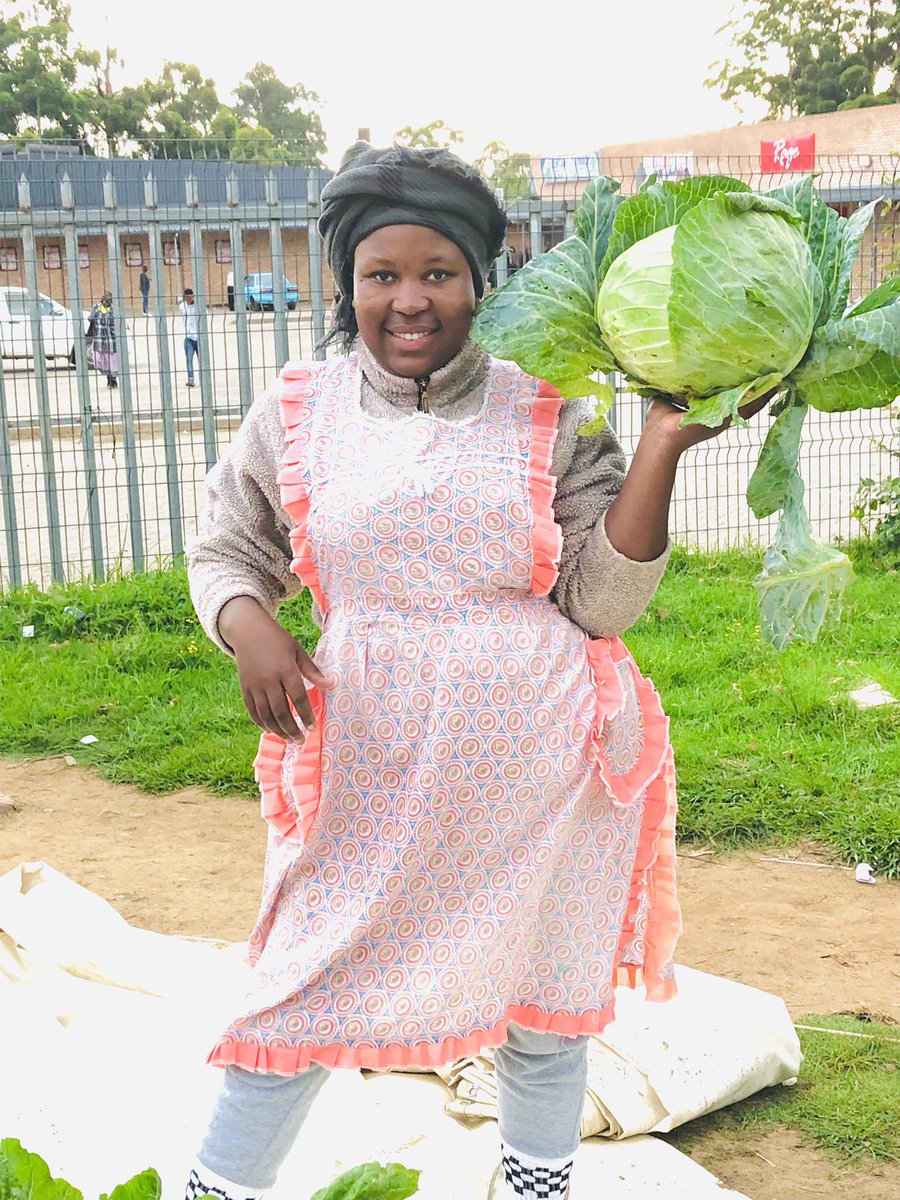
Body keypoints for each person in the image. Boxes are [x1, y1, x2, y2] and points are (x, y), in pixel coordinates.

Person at [184, 143, 768, 1200]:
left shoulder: (546, 408)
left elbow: (598, 602)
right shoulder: (300, 410)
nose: (410, 302)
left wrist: (662, 449)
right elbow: (229, 542)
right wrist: (247, 623)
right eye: (382, 276)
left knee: (544, 1004)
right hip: (374, 764)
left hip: (546, 772)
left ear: (478, 278)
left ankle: (535, 1189)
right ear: (346, 284)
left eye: (437, 274)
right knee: (302, 992)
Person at [85, 289, 118, 388]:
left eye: (108, 301)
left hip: (111, 340)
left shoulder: (114, 309)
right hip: (99, 339)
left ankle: (112, 379)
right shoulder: (96, 308)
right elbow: (90, 318)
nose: (106, 303)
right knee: (101, 359)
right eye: (105, 301)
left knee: (112, 360)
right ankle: (108, 376)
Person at [180, 287, 199, 387]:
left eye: (189, 298)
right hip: (188, 337)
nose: (187, 300)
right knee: (189, 359)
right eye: (186, 298)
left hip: (199, 336)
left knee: (202, 360)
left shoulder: (198, 306)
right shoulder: (182, 306)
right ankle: (191, 379)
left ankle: (204, 377)